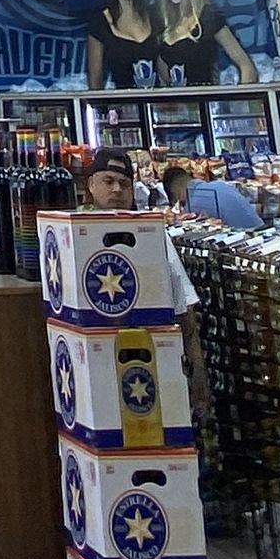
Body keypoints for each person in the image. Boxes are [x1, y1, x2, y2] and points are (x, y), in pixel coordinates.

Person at [81, 146, 209, 408]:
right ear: (91, 185)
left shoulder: (152, 234)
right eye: (108, 181)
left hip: (151, 359)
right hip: (96, 363)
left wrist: (197, 369)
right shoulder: (77, 234)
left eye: (124, 183)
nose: (116, 189)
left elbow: (183, 304)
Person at [152, 0, 259, 86]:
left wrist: (243, 100)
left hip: (207, 102)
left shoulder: (207, 18)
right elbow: (165, 80)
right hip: (180, 105)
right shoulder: (165, 26)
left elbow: (246, 65)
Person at [87, 0, 161, 89]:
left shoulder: (154, 16)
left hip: (158, 106)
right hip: (123, 106)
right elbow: (95, 79)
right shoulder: (100, 22)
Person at [161, 158, 264, 231]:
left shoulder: (193, 203)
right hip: (262, 233)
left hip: (244, 242)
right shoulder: (220, 184)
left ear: (176, 192)